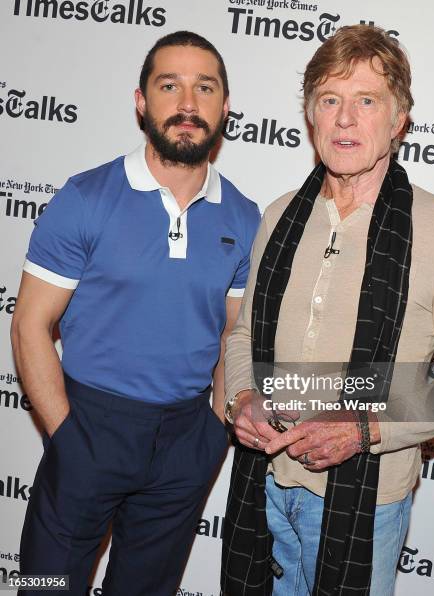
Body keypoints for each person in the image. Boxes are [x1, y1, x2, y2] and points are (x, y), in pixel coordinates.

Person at [221, 25, 434, 596]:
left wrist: (363, 425)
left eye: (366, 100)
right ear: (311, 117)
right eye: (330, 100)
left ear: (398, 122)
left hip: (364, 505)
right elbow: (245, 335)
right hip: (263, 486)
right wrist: (242, 396)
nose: (345, 118)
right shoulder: (278, 216)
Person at [11, 31, 260, 596]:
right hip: (88, 426)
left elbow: (234, 334)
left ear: (224, 107)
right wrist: (67, 437)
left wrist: (213, 431)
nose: (188, 104)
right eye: (169, 85)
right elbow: (29, 324)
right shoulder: (86, 198)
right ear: (142, 101)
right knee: (46, 586)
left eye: (205, 88)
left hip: (186, 441)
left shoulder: (244, 218)